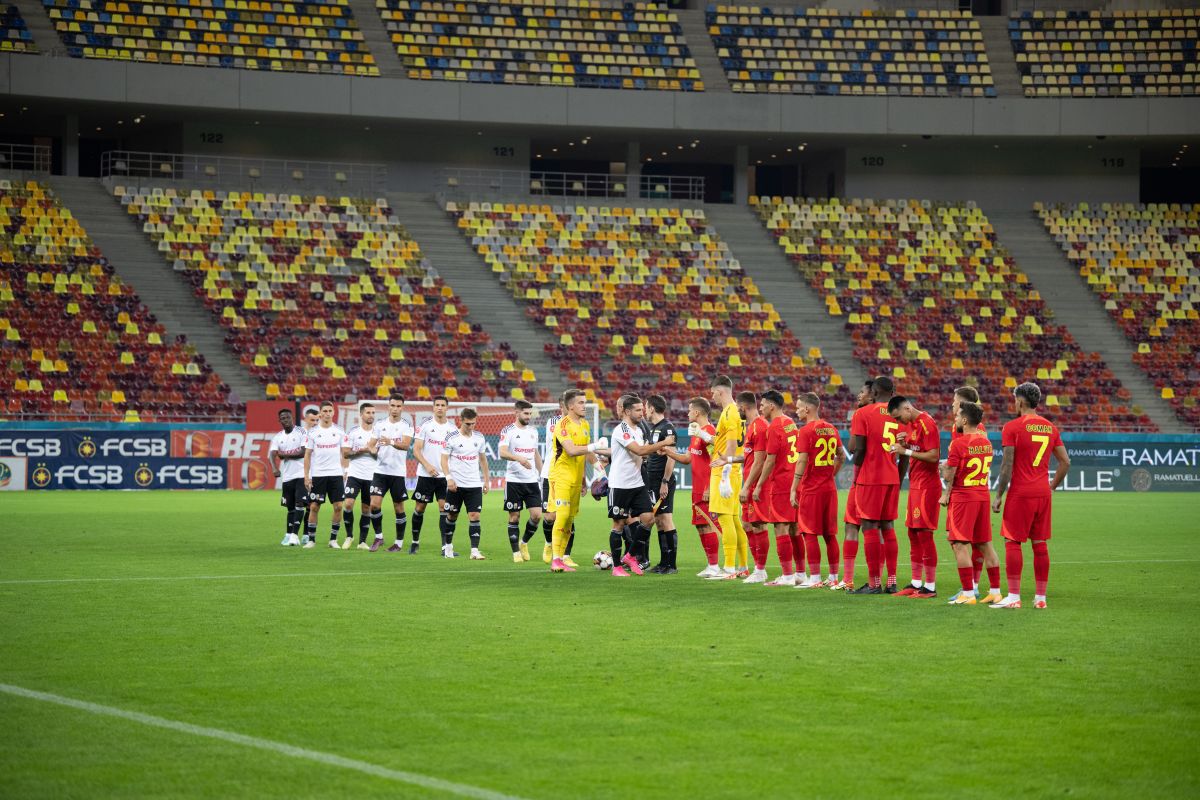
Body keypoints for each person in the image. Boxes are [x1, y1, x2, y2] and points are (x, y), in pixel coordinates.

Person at [990, 382, 1071, 610]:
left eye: (1015, 399)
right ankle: (1040, 598)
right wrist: (1052, 486)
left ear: (1021, 401)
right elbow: (1066, 462)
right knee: (1039, 543)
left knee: (1013, 541)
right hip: (1042, 493)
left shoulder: (1013, 427)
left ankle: (1014, 597)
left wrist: (998, 496)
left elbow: (1006, 466)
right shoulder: (1050, 427)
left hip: (1021, 493)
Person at [848, 377, 907, 594]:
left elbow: (859, 449)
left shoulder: (863, 413)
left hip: (870, 477)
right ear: (892, 392)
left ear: (873, 392)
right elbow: (905, 457)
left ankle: (874, 583)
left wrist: (856, 473)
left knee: (870, 527)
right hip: (892, 477)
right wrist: (898, 480)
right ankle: (891, 581)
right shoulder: (899, 416)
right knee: (888, 527)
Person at [606, 396, 675, 577]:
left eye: (642, 409)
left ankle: (629, 556)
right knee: (619, 524)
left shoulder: (637, 430)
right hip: (620, 484)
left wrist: (656, 449)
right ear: (628, 412)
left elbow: (643, 451)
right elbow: (639, 451)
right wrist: (664, 443)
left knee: (648, 519)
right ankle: (616, 567)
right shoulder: (622, 430)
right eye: (638, 410)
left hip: (637, 484)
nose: (642, 413)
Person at [939, 401, 1001, 605]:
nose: (955, 419)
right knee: (985, 545)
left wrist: (943, 468)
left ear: (965, 420)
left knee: (960, 545)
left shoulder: (959, 444)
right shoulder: (986, 443)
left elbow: (950, 475)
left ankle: (967, 593)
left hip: (964, 498)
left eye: (957, 416)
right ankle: (995, 592)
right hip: (982, 495)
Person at [887, 395, 942, 598]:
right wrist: (906, 445)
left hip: (928, 486)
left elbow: (934, 456)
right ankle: (916, 583)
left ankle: (930, 586)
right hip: (916, 485)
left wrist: (906, 452)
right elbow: (918, 449)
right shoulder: (911, 425)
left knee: (924, 533)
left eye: (898, 416)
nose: (898, 421)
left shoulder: (928, 424)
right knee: (912, 532)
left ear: (907, 408)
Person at [548, 389, 607, 573]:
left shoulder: (585, 424)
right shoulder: (562, 425)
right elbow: (572, 450)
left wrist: (599, 470)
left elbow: (587, 452)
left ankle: (561, 558)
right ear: (570, 406)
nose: (584, 406)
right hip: (561, 476)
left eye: (585, 402)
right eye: (581, 402)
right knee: (563, 515)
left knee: (570, 519)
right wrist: (596, 445)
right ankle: (555, 559)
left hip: (575, 478)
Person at [790, 392, 843, 589]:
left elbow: (802, 460)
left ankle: (814, 578)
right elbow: (841, 456)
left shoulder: (805, 431)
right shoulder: (831, 428)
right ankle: (834, 577)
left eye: (798, 407)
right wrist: (831, 474)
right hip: (829, 488)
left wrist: (794, 488)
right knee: (830, 534)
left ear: (808, 408)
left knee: (809, 533)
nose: (796, 410)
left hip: (811, 489)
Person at [671, 397, 721, 577]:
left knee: (713, 526)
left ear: (697, 412)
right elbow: (687, 459)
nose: (687, 413)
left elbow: (717, 458)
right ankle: (711, 565)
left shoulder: (708, 432)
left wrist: (709, 487)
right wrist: (667, 451)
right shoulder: (696, 433)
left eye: (690, 410)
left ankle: (726, 565)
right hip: (697, 488)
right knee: (701, 526)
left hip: (707, 488)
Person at [708, 375, 749, 580]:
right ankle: (742, 566)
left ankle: (729, 568)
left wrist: (724, 470)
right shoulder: (733, 412)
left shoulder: (730, 412)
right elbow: (725, 441)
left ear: (721, 391)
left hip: (725, 472)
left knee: (725, 519)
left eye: (713, 392)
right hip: (731, 471)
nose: (712, 397)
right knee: (734, 520)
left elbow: (731, 447)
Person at [731, 391, 772, 583]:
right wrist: (729, 459)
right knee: (747, 524)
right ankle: (758, 568)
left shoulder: (760, 426)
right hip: (749, 482)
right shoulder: (752, 426)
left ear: (743, 407)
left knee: (758, 524)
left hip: (756, 485)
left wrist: (747, 487)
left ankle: (761, 569)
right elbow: (749, 457)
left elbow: (760, 460)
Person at [439, 407, 490, 560]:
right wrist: (448, 478)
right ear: (460, 421)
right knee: (452, 515)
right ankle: (448, 546)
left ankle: (474, 551)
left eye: (473, 423)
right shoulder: (451, 437)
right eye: (468, 424)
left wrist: (486, 480)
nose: (471, 427)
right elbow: (444, 459)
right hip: (456, 485)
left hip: (474, 484)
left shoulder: (479, 437)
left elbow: (482, 459)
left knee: (474, 515)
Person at [838, 380, 873, 591]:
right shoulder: (891, 416)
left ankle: (850, 578)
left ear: (873, 395)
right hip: (881, 479)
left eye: (862, 391)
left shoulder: (862, 415)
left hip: (863, 479)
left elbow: (853, 447)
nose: (858, 395)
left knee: (854, 526)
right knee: (878, 528)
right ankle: (886, 580)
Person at [499, 400, 543, 563]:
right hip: (514, 481)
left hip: (532, 481)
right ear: (516, 413)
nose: (528, 416)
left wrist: (542, 472)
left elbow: (535, 453)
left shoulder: (533, 431)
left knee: (537, 516)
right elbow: (502, 452)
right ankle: (516, 552)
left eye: (530, 413)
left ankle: (523, 543)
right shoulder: (508, 431)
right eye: (526, 413)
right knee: (514, 517)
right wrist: (519, 458)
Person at [370, 393, 415, 553]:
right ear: (388, 406)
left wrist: (390, 442)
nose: (395, 409)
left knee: (398, 507)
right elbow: (371, 445)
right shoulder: (379, 424)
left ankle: (398, 543)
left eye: (398, 406)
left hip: (397, 473)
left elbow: (405, 445)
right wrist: (374, 450)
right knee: (374, 505)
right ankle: (379, 537)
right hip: (380, 472)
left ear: (402, 408)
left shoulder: (407, 425)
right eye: (393, 405)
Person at [538, 399, 579, 568]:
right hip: (551, 472)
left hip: (569, 474)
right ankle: (549, 544)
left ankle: (565, 555)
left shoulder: (579, 424)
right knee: (550, 516)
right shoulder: (554, 422)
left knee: (567, 514)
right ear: (562, 407)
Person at [640, 394, 679, 574]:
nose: (645, 411)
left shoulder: (667, 428)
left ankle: (671, 565)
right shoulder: (653, 428)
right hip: (653, 479)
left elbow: (671, 458)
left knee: (666, 519)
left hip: (663, 480)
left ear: (652, 408)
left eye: (646, 407)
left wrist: (665, 481)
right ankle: (664, 563)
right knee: (658, 521)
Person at [302, 401, 347, 549]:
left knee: (339, 507)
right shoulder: (312, 433)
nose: (327, 414)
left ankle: (333, 540)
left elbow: (345, 454)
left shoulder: (340, 431)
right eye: (325, 411)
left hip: (336, 475)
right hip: (319, 475)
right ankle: (311, 540)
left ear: (333, 412)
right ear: (320, 413)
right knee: (314, 507)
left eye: (330, 411)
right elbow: (307, 455)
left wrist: (345, 471)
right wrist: (306, 476)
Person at [412, 396, 454, 553]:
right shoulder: (425, 426)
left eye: (443, 405)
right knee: (420, 507)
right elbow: (416, 449)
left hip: (444, 476)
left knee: (444, 508)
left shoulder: (452, 429)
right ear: (433, 407)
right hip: (426, 475)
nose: (440, 408)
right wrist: (427, 465)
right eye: (437, 405)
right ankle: (415, 542)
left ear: (447, 408)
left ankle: (445, 546)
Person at [341, 402, 379, 550]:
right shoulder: (353, 432)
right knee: (348, 504)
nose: (371, 416)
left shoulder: (378, 433)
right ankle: (349, 536)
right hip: (354, 475)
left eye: (373, 413)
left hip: (372, 476)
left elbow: (378, 456)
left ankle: (362, 541)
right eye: (368, 413)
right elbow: (345, 453)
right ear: (361, 414)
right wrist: (366, 449)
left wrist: (373, 451)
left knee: (366, 508)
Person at [269, 407, 308, 547]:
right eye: (283, 418)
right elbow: (272, 453)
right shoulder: (278, 437)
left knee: (300, 504)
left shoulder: (302, 432)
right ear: (279, 420)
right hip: (287, 476)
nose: (286, 420)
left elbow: (304, 452)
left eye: (288, 417)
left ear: (292, 418)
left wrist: (285, 455)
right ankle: (288, 534)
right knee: (290, 507)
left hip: (302, 474)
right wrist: (274, 467)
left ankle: (295, 535)